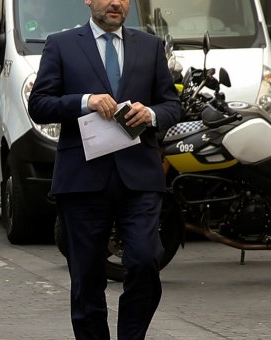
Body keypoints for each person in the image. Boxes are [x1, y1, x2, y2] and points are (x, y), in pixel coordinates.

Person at [29, 0, 181, 338]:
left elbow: (172, 104)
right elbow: (39, 105)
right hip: (82, 179)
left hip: (139, 178)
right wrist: (86, 101)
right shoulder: (62, 44)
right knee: (87, 278)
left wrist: (152, 114)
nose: (116, 3)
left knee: (144, 261)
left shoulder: (150, 46)